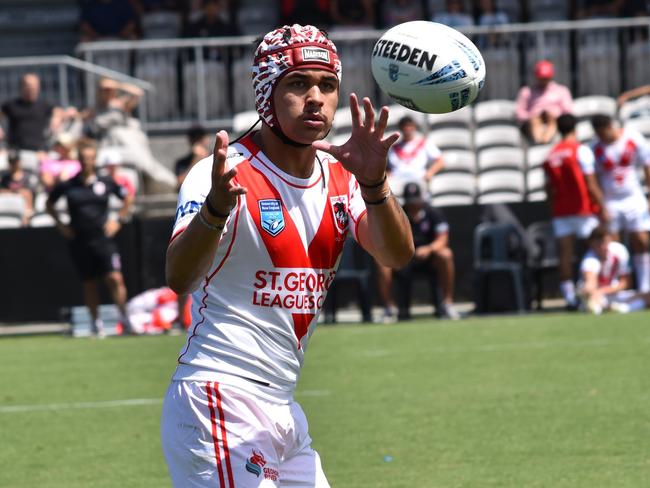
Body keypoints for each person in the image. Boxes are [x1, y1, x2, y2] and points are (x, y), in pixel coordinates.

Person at [161, 24, 414, 487]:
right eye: (298, 83)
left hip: (283, 407)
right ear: (266, 95)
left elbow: (395, 255)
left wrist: (376, 184)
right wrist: (216, 209)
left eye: (328, 84)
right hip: (219, 395)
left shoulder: (344, 174)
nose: (316, 97)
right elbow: (180, 276)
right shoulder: (222, 172)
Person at [46, 139, 135, 338]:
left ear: (95, 160)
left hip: (103, 239)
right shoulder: (69, 184)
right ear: (78, 159)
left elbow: (128, 197)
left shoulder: (105, 182)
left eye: (90, 159)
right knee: (89, 282)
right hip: (79, 240)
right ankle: (96, 324)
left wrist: (118, 220)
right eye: (83, 159)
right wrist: (62, 225)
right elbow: (49, 204)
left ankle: (125, 319)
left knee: (115, 277)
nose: (87, 162)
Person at [376, 182, 459, 322]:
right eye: (410, 202)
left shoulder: (434, 213)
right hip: (404, 257)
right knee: (380, 261)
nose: (413, 206)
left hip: (429, 257)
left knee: (446, 254)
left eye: (416, 202)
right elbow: (389, 239)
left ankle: (447, 304)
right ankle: (390, 308)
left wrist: (429, 248)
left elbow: (443, 240)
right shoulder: (396, 214)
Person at [586, 114, 650, 293]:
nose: (601, 137)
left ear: (609, 127)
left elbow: (647, 165)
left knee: (641, 240)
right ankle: (615, 286)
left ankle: (645, 287)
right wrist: (602, 205)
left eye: (602, 132)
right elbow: (594, 180)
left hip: (633, 197)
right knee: (612, 245)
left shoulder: (632, 138)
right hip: (611, 201)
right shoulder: (595, 148)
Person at [543, 114, 600, 309]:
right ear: (576, 128)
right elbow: (590, 183)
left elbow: (548, 188)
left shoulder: (551, 154)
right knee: (595, 249)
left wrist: (554, 208)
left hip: (561, 210)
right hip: (583, 209)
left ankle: (569, 297)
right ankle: (594, 293)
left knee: (565, 254)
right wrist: (602, 206)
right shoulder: (581, 151)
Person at [578, 225, 634, 314]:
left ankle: (621, 308)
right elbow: (590, 283)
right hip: (597, 297)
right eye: (598, 243)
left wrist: (603, 291)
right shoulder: (589, 260)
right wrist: (589, 291)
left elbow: (625, 283)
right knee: (594, 305)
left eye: (604, 242)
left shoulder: (619, 251)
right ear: (592, 244)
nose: (602, 247)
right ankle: (606, 308)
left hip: (615, 293)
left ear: (609, 240)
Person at [515, 60, 574, 145]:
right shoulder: (526, 92)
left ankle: (545, 141)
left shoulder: (561, 90)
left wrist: (555, 115)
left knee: (553, 122)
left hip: (555, 121)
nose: (543, 81)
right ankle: (539, 142)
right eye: (541, 78)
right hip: (533, 123)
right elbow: (519, 112)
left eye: (546, 78)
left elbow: (568, 110)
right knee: (535, 121)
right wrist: (532, 116)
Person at [0, 73, 59, 153]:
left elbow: (58, 111)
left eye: (34, 85)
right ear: (21, 87)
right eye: (28, 85)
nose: (31, 88)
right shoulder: (11, 105)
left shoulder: (44, 104)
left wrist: (56, 118)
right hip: (16, 150)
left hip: (40, 151)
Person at [387, 115, 444, 192]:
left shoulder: (424, 143)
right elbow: (388, 169)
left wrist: (429, 174)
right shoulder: (393, 148)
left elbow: (440, 161)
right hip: (397, 182)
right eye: (404, 126)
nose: (407, 128)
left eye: (410, 126)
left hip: (419, 180)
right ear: (400, 128)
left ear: (414, 127)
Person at [0, 150, 39, 225]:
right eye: (11, 162)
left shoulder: (28, 176)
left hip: (24, 206)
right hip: (7, 204)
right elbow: (1, 191)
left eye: (15, 162)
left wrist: (14, 192)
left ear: (19, 162)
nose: (13, 164)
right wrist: (15, 192)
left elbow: (28, 193)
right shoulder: (5, 177)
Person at [174, 125, 210, 189]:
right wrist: (196, 160)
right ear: (189, 140)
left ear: (206, 139)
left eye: (200, 138)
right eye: (194, 137)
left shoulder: (216, 158)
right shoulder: (182, 163)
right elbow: (180, 183)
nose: (197, 141)